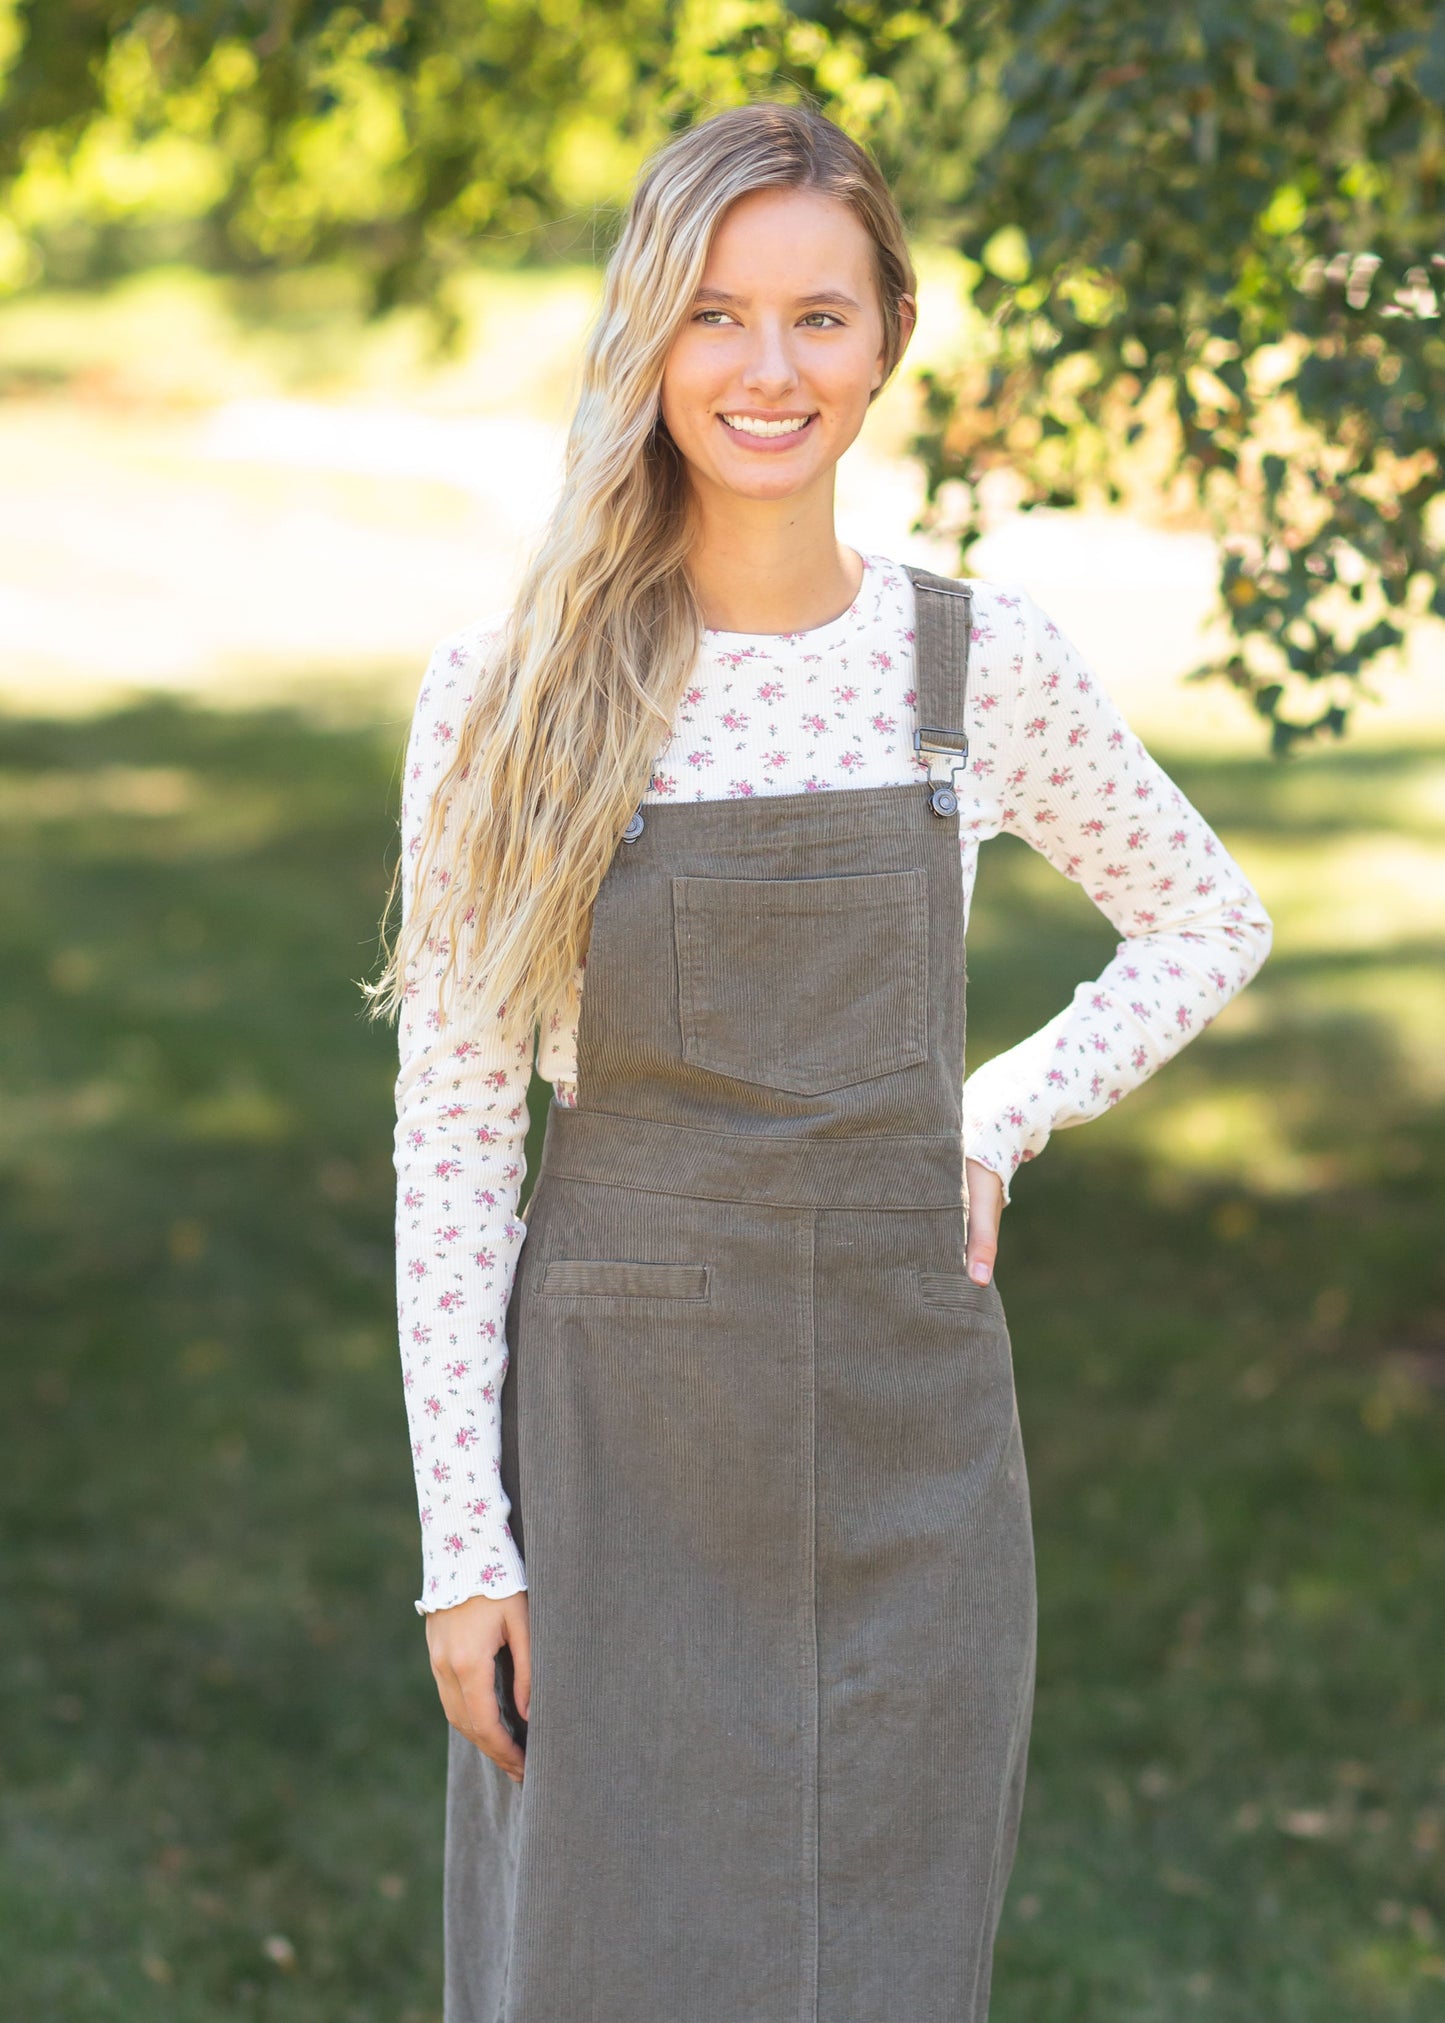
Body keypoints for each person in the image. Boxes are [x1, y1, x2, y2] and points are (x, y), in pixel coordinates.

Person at [369, 99, 1273, 2023]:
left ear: (887, 341)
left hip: (900, 1441)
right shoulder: (511, 694)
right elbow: (455, 1128)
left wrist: (994, 1115)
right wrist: (470, 1543)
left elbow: (1207, 919)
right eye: (712, 315)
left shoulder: (970, 665)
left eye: (815, 317)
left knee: (874, 1951)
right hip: (620, 1441)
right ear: (645, 339)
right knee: (593, 1961)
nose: (764, 370)